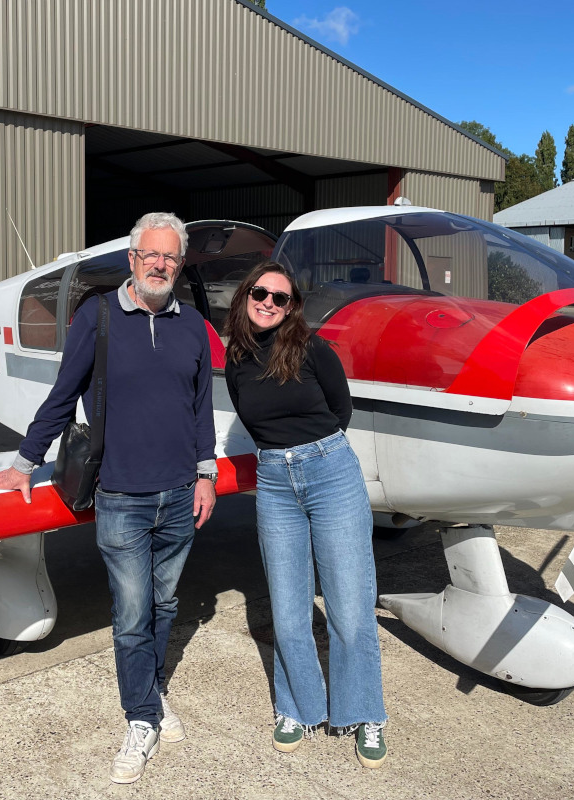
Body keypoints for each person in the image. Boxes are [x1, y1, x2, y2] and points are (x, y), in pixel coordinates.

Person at [0, 212, 218, 784]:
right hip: (121, 497)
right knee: (132, 614)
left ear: (180, 266)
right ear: (133, 260)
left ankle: (151, 695)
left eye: (171, 257)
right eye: (150, 255)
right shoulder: (100, 315)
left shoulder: (190, 327)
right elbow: (63, 397)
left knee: (163, 607)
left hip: (180, 493)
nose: (160, 265)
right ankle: (141, 717)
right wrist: (23, 464)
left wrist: (205, 474)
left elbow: (201, 408)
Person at [223, 262, 388, 768]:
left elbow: (341, 410)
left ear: (292, 306)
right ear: (246, 295)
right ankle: (297, 708)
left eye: (281, 297)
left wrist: (313, 453)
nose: (269, 302)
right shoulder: (236, 359)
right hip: (274, 481)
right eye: (261, 292)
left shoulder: (313, 349)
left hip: (330, 471)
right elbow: (255, 421)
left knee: (350, 602)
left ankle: (364, 714)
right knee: (289, 608)